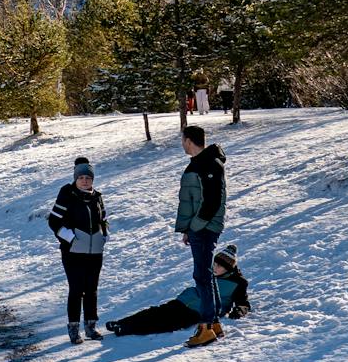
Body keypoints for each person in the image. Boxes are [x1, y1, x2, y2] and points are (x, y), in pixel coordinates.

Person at [107, 245, 251, 336]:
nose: (215, 267)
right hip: (184, 300)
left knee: (165, 323)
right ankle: (121, 322)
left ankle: (126, 328)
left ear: (228, 268)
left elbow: (244, 303)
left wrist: (239, 311)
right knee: (154, 312)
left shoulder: (238, 283)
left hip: (198, 311)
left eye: (219, 266)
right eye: (215, 263)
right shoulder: (209, 273)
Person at [174, 124, 228, 348]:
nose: (182, 144)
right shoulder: (198, 163)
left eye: (182, 140)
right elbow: (193, 199)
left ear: (188, 140)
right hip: (198, 228)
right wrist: (188, 229)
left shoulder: (209, 163)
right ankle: (214, 323)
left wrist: (195, 226)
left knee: (201, 276)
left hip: (205, 227)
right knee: (205, 274)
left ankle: (206, 326)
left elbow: (212, 201)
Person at [47, 155, 108, 344]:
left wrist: (103, 237)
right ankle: (73, 328)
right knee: (76, 289)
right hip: (73, 253)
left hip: (94, 252)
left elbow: (103, 220)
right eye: (81, 178)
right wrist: (71, 239)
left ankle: (91, 327)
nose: (85, 181)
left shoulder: (97, 197)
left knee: (92, 289)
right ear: (75, 178)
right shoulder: (67, 194)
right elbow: (54, 221)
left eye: (88, 178)